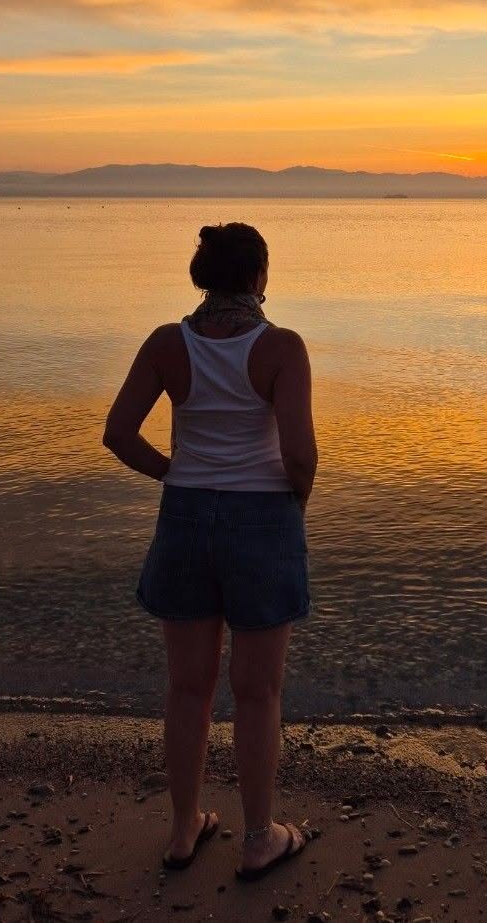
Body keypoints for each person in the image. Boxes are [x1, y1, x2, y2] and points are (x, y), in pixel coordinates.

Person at [103, 221, 317, 880]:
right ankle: (259, 837)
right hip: (261, 518)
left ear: (203, 275)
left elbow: (118, 433)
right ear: (258, 277)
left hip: (187, 518)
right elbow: (299, 456)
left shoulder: (169, 343)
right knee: (257, 691)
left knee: (188, 686)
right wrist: (291, 503)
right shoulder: (281, 347)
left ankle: (182, 829)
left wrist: (175, 472)